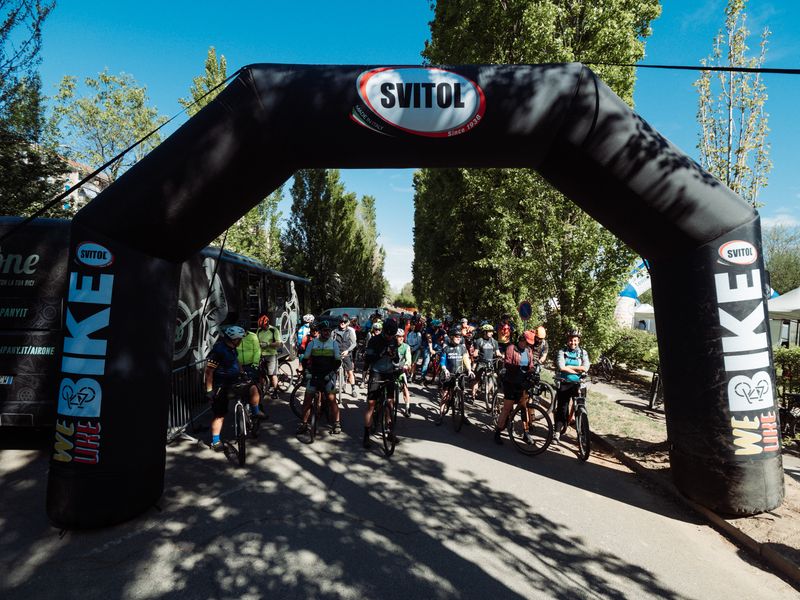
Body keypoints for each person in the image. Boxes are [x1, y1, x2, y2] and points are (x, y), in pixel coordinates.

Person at [204, 325, 265, 451]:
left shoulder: (232, 348)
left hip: (235, 381)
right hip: (221, 385)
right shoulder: (218, 351)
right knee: (219, 414)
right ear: (234, 339)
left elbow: (236, 361)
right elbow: (209, 371)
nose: (241, 341)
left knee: (253, 388)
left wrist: (243, 373)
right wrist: (209, 390)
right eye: (240, 339)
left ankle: (255, 411)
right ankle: (215, 441)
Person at [363, 317, 403, 448]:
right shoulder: (374, 340)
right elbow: (368, 358)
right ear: (384, 331)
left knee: (390, 403)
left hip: (389, 372)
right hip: (376, 372)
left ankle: (390, 432)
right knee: (371, 405)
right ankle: (366, 435)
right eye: (387, 334)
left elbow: (396, 358)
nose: (389, 337)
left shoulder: (393, 341)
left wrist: (394, 356)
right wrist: (381, 354)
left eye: (392, 335)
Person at [298, 321, 342, 435]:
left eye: (329, 331)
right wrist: (306, 371)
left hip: (328, 375)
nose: (327, 333)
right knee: (307, 399)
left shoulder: (334, 344)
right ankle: (303, 424)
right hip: (315, 374)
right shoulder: (312, 343)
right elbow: (305, 359)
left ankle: (337, 423)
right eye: (325, 330)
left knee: (332, 399)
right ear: (320, 331)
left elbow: (338, 361)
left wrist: (331, 374)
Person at [493, 329, 536, 445]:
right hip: (511, 382)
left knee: (524, 408)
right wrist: (520, 370)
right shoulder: (511, 348)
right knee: (507, 408)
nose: (527, 345)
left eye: (529, 344)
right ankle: (498, 431)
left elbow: (531, 365)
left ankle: (526, 433)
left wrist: (532, 371)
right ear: (521, 339)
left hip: (522, 383)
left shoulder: (529, 350)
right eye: (526, 342)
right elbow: (508, 363)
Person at [553, 330, 590, 444]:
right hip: (565, 382)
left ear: (578, 341)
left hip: (579, 384)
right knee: (562, 408)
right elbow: (561, 367)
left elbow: (585, 367)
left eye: (575, 340)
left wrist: (569, 366)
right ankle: (557, 432)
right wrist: (577, 370)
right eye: (570, 340)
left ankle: (583, 434)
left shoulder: (583, 352)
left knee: (581, 407)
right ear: (567, 340)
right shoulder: (562, 352)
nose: (572, 342)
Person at [435, 327, 473, 425]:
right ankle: (440, 415)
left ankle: (463, 415)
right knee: (445, 395)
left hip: (459, 374)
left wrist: (469, 370)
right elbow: (443, 361)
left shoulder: (462, 348)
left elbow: (466, 359)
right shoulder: (446, 348)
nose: (458, 338)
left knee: (462, 395)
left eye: (460, 336)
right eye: (456, 336)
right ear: (451, 337)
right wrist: (445, 369)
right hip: (449, 374)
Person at [470, 324, 503, 400]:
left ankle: (487, 392)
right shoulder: (479, 341)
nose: (492, 333)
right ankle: (473, 395)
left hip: (490, 363)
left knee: (493, 378)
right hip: (481, 363)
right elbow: (476, 352)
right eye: (490, 331)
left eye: (492, 331)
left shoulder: (494, 342)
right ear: (485, 332)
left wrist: (502, 356)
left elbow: (497, 352)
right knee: (476, 379)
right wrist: (474, 355)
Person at [257, 313, 283, 400]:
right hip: (261, 355)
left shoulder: (273, 330)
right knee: (261, 374)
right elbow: (256, 340)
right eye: (261, 326)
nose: (262, 328)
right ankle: (262, 390)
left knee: (272, 374)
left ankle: (275, 391)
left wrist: (268, 344)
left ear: (267, 323)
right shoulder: (259, 330)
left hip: (271, 355)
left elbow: (279, 343)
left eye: (263, 326)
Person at [333, 314, 358, 397]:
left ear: (347, 323)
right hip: (336, 354)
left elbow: (354, 343)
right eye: (341, 321)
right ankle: (332, 387)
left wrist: (348, 351)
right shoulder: (334, 332)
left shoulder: (349, 332)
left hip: (347, 354)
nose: (342, 323)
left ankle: (353, 389)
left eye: (344, 322)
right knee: (333, 371)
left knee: (350, 372)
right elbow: (330, 342)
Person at [395, 329, 412, 417]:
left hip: (401, 369)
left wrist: (406, 365)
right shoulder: (391, 345)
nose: (401, 338)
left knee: (405, 387)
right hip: (391, 369)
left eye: (402, 336)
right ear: (395, 337)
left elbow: (408, 359)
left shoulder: (406, 347)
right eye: (399, 336)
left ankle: (407, 407)